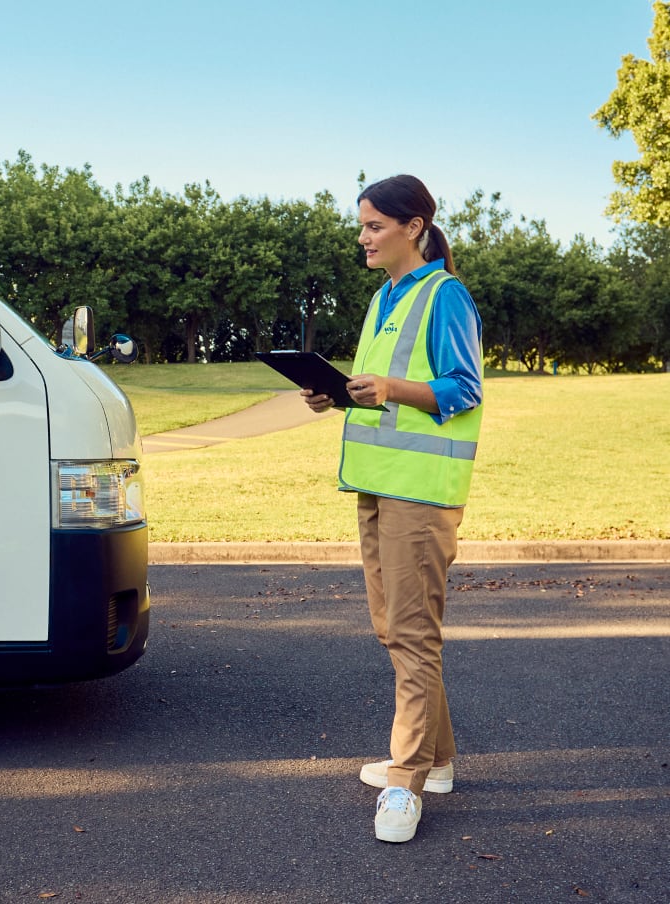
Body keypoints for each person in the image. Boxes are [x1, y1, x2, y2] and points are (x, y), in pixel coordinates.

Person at [302, 174, 483, 843]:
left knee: (411, 634)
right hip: (376, 481)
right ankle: (437, 762)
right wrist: (337, 395)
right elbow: (377, 391)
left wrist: (390, 388)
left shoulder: (446, 296)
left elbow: (463, 389)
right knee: (393, 628)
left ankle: (406, 780)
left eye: (375, 225)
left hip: (420, 491)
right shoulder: (384, 297)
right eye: (363, 225)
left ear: (414, 227)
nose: (364, 237)